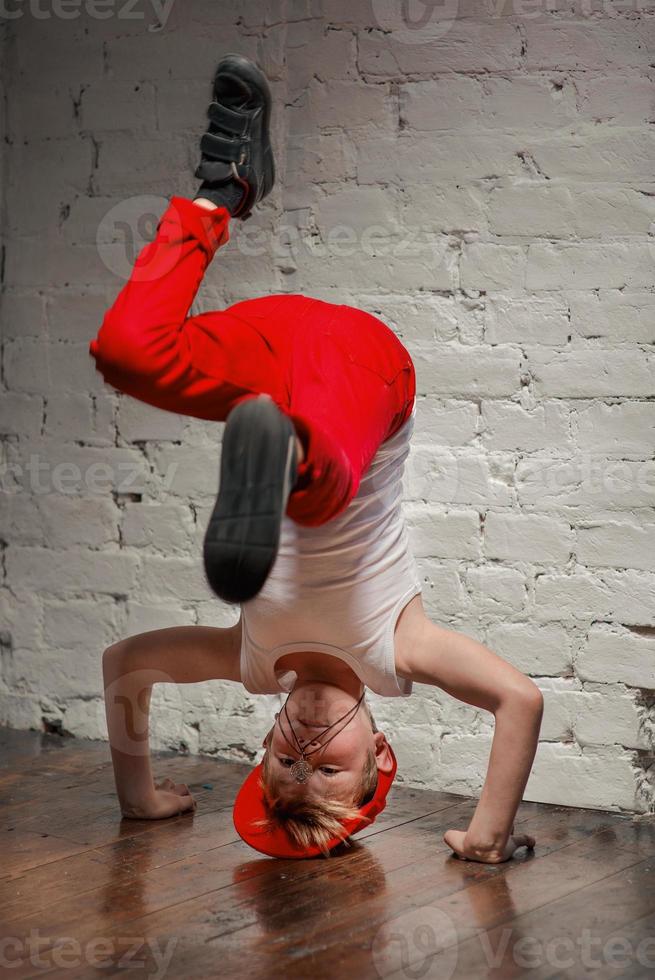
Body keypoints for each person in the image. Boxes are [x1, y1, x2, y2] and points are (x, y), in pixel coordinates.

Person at [96, 54, 543, 862]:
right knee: (321, 489)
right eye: (326, 765)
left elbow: (125, 664)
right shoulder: (396, 653)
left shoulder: (251, 660)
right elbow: (519, 699)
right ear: (377, 755)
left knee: (128, 352)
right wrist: (486, 835)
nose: (303, 742)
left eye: (281, 760)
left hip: (278, 346)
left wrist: (141, 798)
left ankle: (223, 186)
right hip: (367, 374)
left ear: (262, 743)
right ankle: (287, 453)